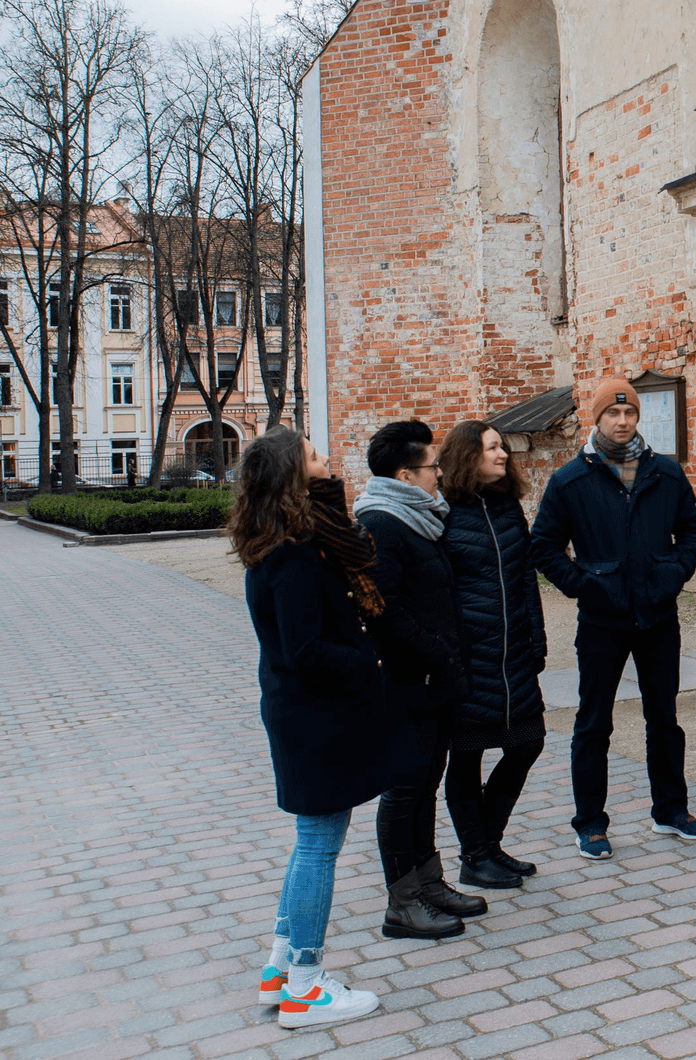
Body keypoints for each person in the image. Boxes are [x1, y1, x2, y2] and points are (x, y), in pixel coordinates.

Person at [232, 427, 399, 1029]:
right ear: (292, 477)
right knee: (318, 844)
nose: (328, 460)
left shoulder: (285, 542)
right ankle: (305, 988)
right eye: (315, 457)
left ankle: (280, 971)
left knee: (313, 839)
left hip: (303, 713)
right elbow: (305, 649)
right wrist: (370, 661)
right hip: (315, 716)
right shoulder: (294, 557)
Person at [532, 376, 696, 857]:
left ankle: (671, 811)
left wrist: (674, 572)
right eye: (613, 414)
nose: (623, 421)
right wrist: (585, 584)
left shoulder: (665, 474)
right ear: (597, 418)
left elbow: (694, 530)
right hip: (601, 621)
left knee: (664, 718)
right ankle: (590, 822)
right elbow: (544, 547)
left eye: (629, 413)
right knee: (593, 722)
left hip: (657, 615)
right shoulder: (571, 480)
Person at [353, 420, 483, 939]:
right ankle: (401, 902)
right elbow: (383, 611)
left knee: (425, 782)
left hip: (434, 679)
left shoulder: (419, 519)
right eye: (433, 467)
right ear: (406, 475)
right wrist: (437, 655)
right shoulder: (383, 524)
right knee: (405, 790)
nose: (440, 475)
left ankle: (429, 881)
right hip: (410, 681)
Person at [437, 419, 549, 888]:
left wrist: (537, 639)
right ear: (467, 456)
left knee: (528, 741)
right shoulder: (442, 511)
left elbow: (525, 578)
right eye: (491, 448)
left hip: (513, 653)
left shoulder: (506, 506)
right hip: (469, 658)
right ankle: (474, 854)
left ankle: (488, 843)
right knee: (466, 757)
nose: (502, 455)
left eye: (502, 446)